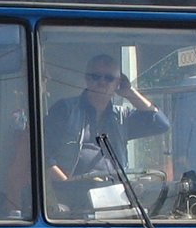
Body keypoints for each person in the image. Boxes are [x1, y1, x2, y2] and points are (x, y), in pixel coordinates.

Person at [45, 53, 169, 181]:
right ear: (87, 79)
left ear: (118, 83)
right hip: (73, 197)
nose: (102, 82)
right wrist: (68, 185)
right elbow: (42, 154)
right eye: (96, 77)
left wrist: (130, 92)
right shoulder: (65, 110)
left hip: (116, 194)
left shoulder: (123, 117)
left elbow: (161, 124)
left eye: (109, 78)